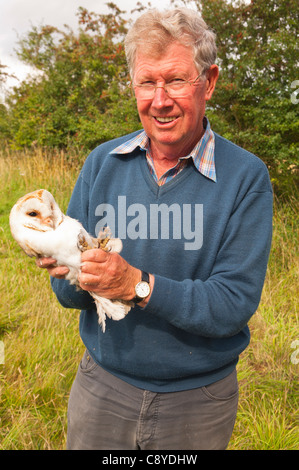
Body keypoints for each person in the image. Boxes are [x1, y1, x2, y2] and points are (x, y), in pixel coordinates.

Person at [37, 8, 273, 450]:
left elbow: (233, 303)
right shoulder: (101, 164)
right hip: (102, 388)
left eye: (176, 80)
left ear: (210, 81)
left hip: (197, 401)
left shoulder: (246, 177)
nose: (160, 99)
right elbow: (70, 298)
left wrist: (136, 286)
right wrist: (67, 268)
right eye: (147, 82)